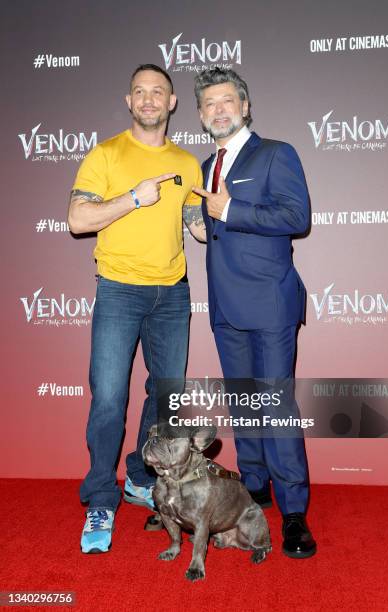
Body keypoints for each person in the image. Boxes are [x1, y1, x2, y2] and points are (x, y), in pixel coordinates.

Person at [68, 64, 205, 554]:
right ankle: (101, 497)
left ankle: (139, 478)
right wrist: (132, 198)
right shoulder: (105, 153)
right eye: (140, 92)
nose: (149, 100)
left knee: (164, 398)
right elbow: (78, 219)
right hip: (119, 290)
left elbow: (198, 226)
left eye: (159, 93)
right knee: (108, 399)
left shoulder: (187, 163)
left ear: (172, 103)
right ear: (129, 101)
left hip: (172, 294)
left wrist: (226, 210)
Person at [192, 68, 316, 558]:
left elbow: (296, 217)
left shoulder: (276, 153)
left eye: (228, 101)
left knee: (276, 406)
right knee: (244, 404)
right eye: (210, 103)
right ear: (200, 115)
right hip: (226, 306)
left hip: (269, 303)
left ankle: (292, 513)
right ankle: (256, 487)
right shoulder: (206, 165)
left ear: (245, 107)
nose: (219, 109)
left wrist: (231, 211)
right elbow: (214, 234)